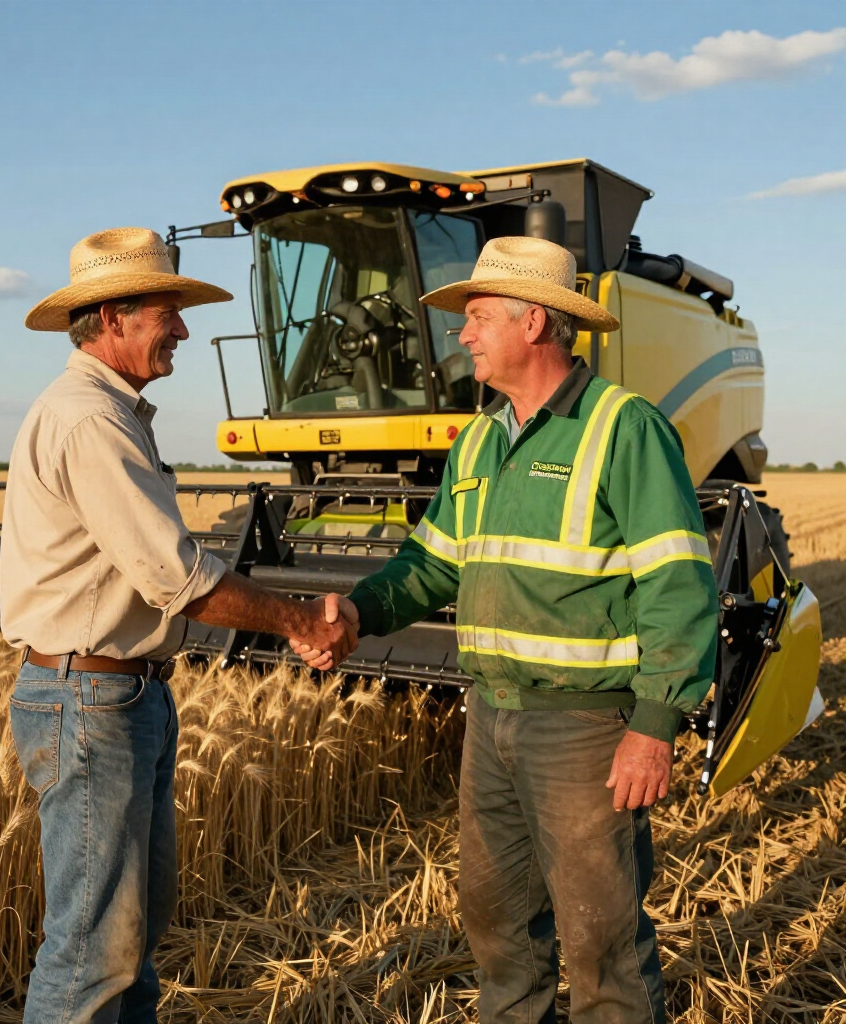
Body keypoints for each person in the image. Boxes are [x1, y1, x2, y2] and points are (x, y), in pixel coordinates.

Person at [294, 236, 719, 1023]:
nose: (463, 333)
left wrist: (656, 723)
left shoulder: (624, 428)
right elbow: (431, 562)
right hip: (490, 720)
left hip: (586, 730)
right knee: (499, 936)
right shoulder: (482, 440)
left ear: (535, 323)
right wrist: (359, 610)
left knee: (605, 948)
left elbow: (678, 584)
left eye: (478, 316)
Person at [0, 227, 357, 1024]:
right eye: (170, 312)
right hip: (90, 703)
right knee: (92, 951)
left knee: (131, 940)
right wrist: (300, 619)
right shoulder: (91, 420)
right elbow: (180, 581)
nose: (186, 331)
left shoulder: (109, 413)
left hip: (117, 698)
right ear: (114, 316)